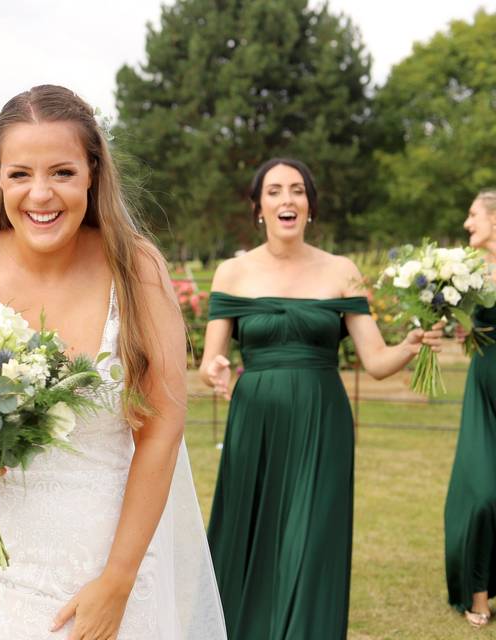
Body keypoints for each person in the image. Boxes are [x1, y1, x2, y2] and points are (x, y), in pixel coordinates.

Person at [0, 85, 225, 639]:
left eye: (61, 172)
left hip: (104, 564)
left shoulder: (137, 270)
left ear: (93, 174)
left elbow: (162, 430)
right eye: (20, 174)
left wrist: (118, 580)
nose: (40, 194)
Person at [200, 158, 444, 639]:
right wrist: (216, 369)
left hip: (322, 422)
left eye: (297, 190)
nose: (286, 199)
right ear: (259, 207)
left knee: (312, 542)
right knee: (252, 537)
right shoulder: (232, 273)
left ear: (310, 206)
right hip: (256, 422)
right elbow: (212, 359)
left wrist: (410, 348)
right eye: (274, 191)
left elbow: (374, 361)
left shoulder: (342, 271)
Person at [445, 188, 496, 628]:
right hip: (484, 391)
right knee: (481, 494)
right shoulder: (467, 271)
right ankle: (476, 593)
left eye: (473, 214)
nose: (467, 223)